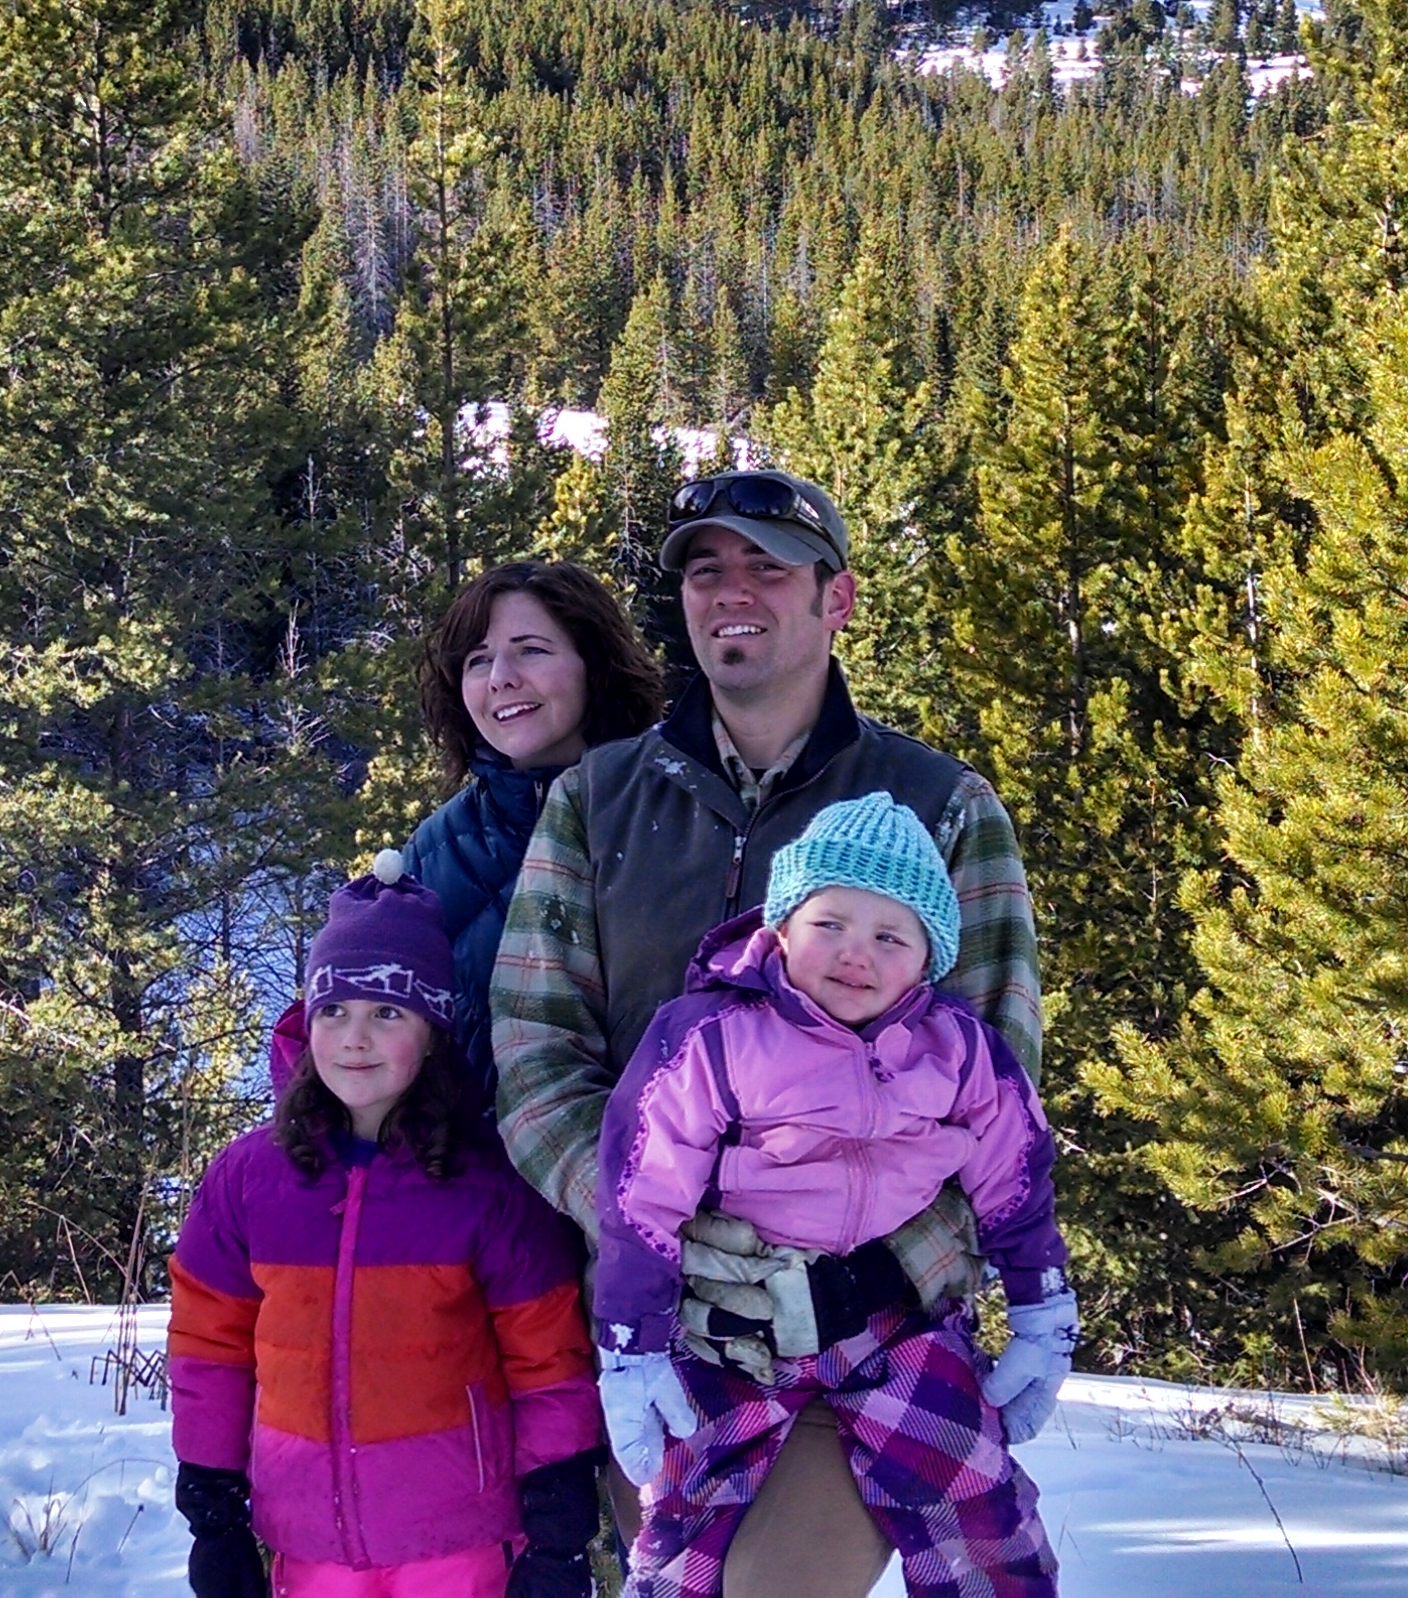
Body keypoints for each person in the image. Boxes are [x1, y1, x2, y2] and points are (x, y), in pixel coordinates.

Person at [488, 469, 1075, 1598]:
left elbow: (993, 1084)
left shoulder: (939, 806)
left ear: (836, 598)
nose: (732, 590)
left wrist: (852, 1268)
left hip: (873, 1327)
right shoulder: (599, 798)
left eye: (768, 566)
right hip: (653, 1331)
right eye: (707, 569)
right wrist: (656, 1229)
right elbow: (535, 1053)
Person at [593, 795, 1066, 1598]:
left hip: (896, 1322)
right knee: (689, 1507)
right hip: (739, 1323)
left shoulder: (957, 1053)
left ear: (928, 959)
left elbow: (1016, 1178)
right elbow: (642, 1191)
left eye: (889, 937)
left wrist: (1041, 1307)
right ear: (782, 928)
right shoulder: (715, 1036)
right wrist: (631, 1341)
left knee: (974, 1495)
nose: (856, 954)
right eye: (830, 924)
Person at [171, 874, 606, 1598]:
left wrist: (559, 1519)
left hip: (459, 1538)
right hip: (308, 1541)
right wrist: (213, 1510)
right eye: (334, 1010)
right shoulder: (248, 1179)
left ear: (432, 1032)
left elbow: (547, 1361)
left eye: (386, 1012)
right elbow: (208, 1349)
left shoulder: (488, 1185)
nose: (355, 1038)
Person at [399, 561, 667, 1098]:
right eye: (478, 660)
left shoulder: (675, 815)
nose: (500, 677)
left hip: (662, 1145)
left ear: (595, 663)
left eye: (531, 650)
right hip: (479, 1150)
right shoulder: (435, 852)